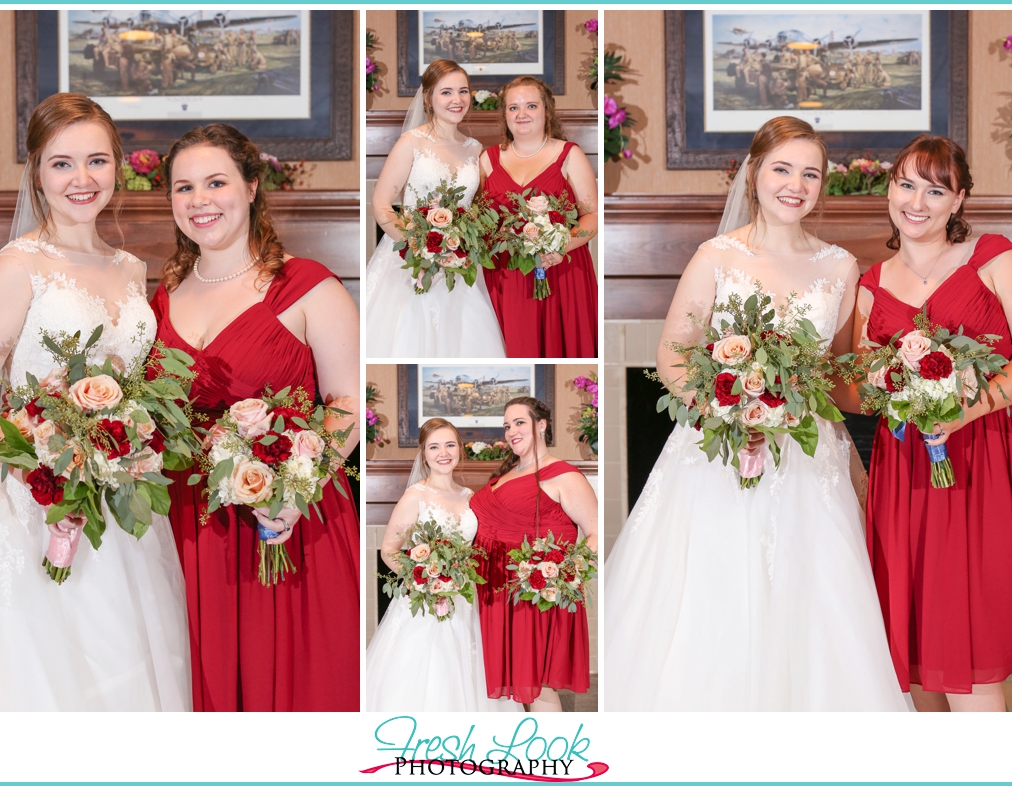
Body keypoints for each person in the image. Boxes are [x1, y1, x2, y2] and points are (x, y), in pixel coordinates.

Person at [0, 93, 191, 710]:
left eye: (97, 161)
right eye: (62, 164)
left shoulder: (133, 270)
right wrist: (44, 464)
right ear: (36, 172)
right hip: (34, 497)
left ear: (117, 168)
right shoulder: (18, 267)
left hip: (120, 498)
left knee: (122, 660)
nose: (82, 180)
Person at [604, 116, 909, 711]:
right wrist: (728, 409)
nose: (796, 184)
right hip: (716, 450)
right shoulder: (717, 256)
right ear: (754, 173)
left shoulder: (842, 268)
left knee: (813, 599)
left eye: (811, 173)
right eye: (782, 168)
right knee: (712, 596)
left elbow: (837, 373)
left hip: (806, 455)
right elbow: (673, 352)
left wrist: (895, 385)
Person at [853, 134, 1012, 711]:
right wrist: (878, 384)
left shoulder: (995, 257)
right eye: (905, 184)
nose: (916, 201)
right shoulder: (870, 286)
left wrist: (963, 409)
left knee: (969, 642)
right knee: (918, 644)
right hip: (904, 472)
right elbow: (855, 389)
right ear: (890, 191)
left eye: (935, 189)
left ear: (959, 200)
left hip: (985, 458)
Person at [151, 123, 361, 711]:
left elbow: (345, 403)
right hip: (191, 521)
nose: (199, 200)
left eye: (215, 182)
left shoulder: (309, 286)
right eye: (183, 187)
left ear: (250, 186)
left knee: (294, 687)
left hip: (290, 517)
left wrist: (294, 490)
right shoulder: (162, 297)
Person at [366, 419, 520, 712]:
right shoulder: (416, 497)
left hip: (465, 599)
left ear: (460, 449)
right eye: (434, 447)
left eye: (450, 445)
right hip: (425, 601)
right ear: (423, 453)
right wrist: (425, 580)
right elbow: (389, 551)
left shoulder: (470, 498)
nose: (443, 453)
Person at [365, 59, 506, 358]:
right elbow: (380, 204)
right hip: (410, 260)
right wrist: (417, 245)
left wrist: (462, 244)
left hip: (460, 261)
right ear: (428, 98)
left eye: (463, 91)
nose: (457, 100)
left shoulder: (475, 149)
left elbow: (478, 209)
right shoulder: (411, 142)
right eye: (446, 92)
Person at [470, 397, 597, 711]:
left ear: (542, 425)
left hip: (531, 595)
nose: (511, 431)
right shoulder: (507, 474)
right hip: (494, 592)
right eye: (507, 425)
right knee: (517, 684)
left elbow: (595, 534)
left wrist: (560, 575)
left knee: (536, 684)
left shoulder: (564, 475)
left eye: (519, 422)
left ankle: (556, 752)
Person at [480, 76, 599, 358]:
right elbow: (479, 218)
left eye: (531, 106)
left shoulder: (569, 155)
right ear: (504, 115)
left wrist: (560, 246)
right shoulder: (487, 159)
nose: (522, 114)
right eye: (513, 108)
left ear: (546, 110)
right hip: (505, 277)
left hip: (561, 273)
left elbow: (593, 215)